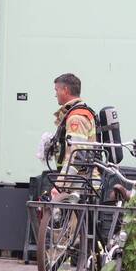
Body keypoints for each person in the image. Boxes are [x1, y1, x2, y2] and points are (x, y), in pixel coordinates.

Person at [47, 73, 98, 202]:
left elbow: (77, 154)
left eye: (56, 90)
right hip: (80, 182)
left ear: (65, 90)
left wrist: (60, 185)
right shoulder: (75, 113)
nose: (55, 94)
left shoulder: (76, 117)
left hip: (80, 185)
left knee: (73, 222)